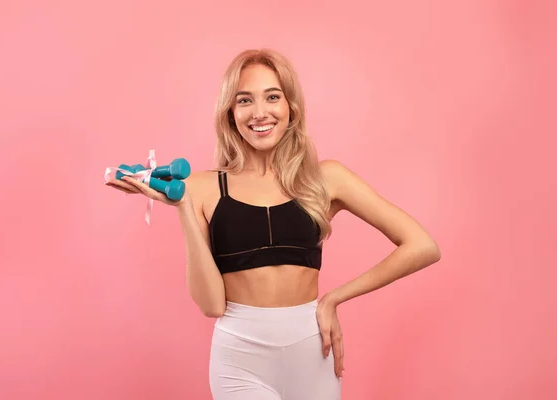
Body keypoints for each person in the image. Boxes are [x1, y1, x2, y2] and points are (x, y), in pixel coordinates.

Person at [106, 48, 441, 400]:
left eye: (272, 97)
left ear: (290, 108)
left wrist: (334, 299)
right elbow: (211, 306)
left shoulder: (325, 179)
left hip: (313, 352)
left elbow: (422, 246)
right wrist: (183, 208)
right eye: (244, 100)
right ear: (230, 113)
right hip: (239, 358)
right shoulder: (202, 187)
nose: (260, 112)